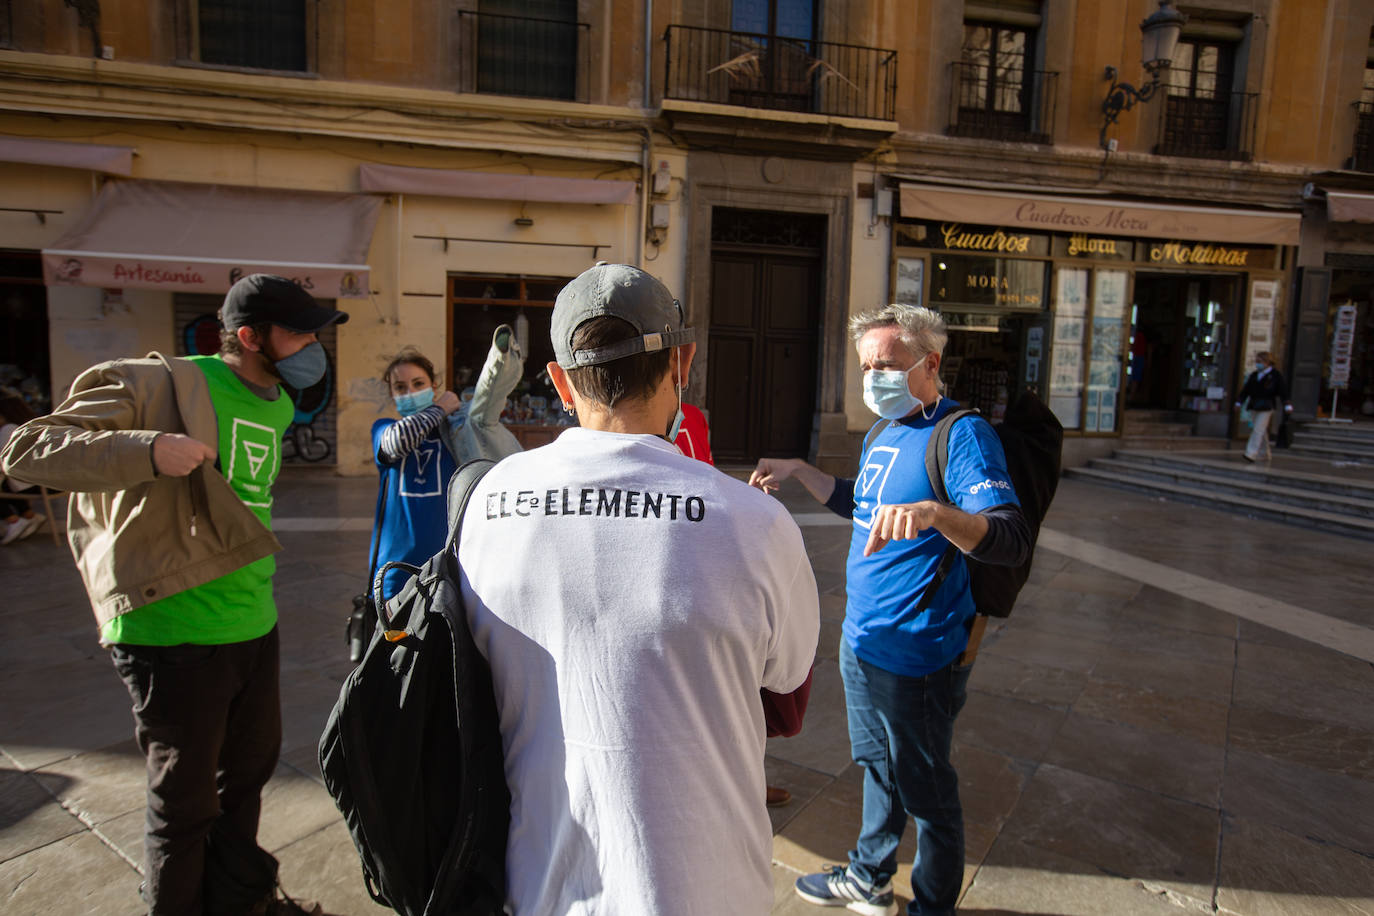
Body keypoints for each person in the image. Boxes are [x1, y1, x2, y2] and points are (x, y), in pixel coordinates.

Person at [458, 262, 820, 914]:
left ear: (561, 383)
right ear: (683, 363)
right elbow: (787, 695)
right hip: (711, 889)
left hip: (541, 883)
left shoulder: (486, 504)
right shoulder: (757, 524)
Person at [0, 274, 337, 916]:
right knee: (182, 809)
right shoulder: (158, 382)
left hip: (252, 619)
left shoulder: (278, 403)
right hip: (171, 627)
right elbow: (26, 451)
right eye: (299, 333)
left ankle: (240, 904)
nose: (312, 344)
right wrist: (149, 447)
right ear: (249, 337)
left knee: (243, 786)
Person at [749, 303, 1029, 916]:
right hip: (863, 638)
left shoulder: (962, 434)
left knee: (928, 789)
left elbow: (1009, 536)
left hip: (919, 650)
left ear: (929, 364)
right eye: (866, 366)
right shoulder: (884, 429)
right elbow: (865, 502)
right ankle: (870, 878)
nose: (873, 376)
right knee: (877, 765)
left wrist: (935, 514)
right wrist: (801, 472)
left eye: (886, 364)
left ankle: (931, 905)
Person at [671, 401, 802, 809]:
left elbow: (706, 482)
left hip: (709, 561)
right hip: (672, 562)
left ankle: (746, 781)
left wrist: (740, 498)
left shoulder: (692, 415)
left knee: (737, 689)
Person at [369, 327, 523, 602]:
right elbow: (397, 442)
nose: (410, 392)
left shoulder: (455, 434)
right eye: (400, 388)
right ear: (391, 394)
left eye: (418, 384)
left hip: (449, 568)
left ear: (433, 387)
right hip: (394, 573)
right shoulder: (383, 428)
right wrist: (440, 407)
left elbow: (484, 412)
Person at [0, 396, 45, 544]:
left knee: (4, 483)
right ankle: (28, 515)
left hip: (31, 484)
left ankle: (13, 520)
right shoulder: (30, 425)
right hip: (46, 482)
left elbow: (3, 459)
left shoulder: (8, 429)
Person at [1235, 350, 1291, 463]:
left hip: (1267, 406)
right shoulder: (1255, 375)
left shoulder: (1275, 375)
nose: (1257, 364)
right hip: (1254, 405)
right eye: (1256, 361)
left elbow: (1282, 391)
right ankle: (1265, 453)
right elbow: (1246, 390)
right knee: (1260, 430)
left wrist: (1287, 404)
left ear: (1267, 362)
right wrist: (1239, 402)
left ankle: (1251, 453)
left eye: (1259, 361)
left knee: (1257, 429)